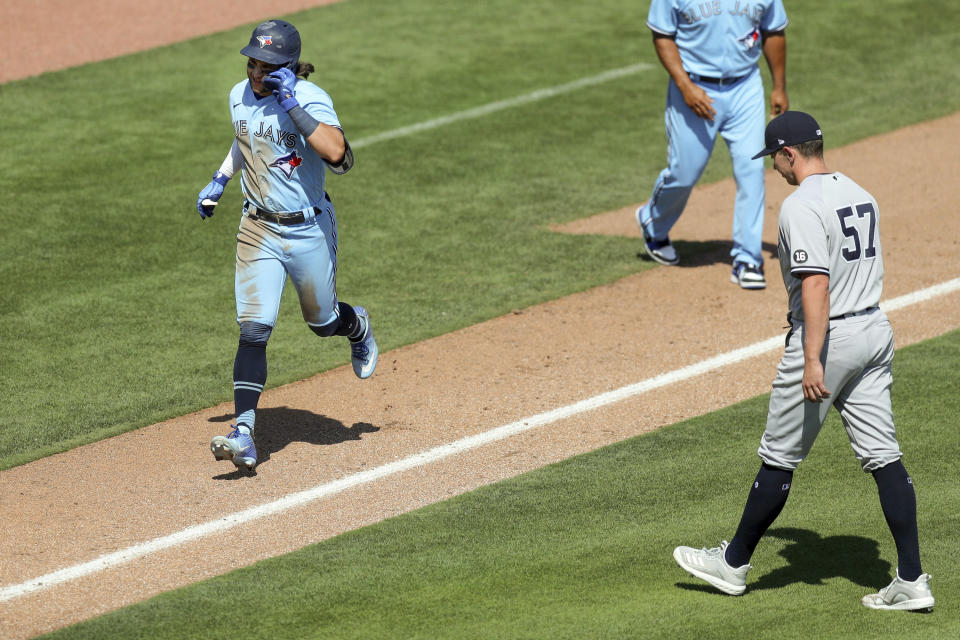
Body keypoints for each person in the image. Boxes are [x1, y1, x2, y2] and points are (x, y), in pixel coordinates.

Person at [671, 111, 934, 611]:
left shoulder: (799, 206)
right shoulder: (860, 192)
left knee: (779, 454)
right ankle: (911, 579)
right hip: (874, 332)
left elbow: (816, 282)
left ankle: (732, 563)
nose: (775, 169)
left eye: (776, 159)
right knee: (885, 457)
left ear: (790, 153)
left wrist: (812, 356)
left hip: (829, 340)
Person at [195, 19, 378, 471]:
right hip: (257, 228)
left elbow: (338, 156)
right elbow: (245, 138)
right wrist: (220, 179)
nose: (258, 71)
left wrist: (292, 103)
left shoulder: (311, 99)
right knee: (254, 329)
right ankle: (244, 434)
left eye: (268, 65)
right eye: (254, 62)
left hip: (308, 228)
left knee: (322, 322)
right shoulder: (238, 94)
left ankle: (355, 327)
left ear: (289, 64)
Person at [637, 0, 788, 289]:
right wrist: (685, 86)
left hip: (746, 86)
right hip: (694, 87)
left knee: (752, 169)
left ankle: (748, 257)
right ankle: (652, 223)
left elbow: (774, 31)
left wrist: (779, 86)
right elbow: (662, 35)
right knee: (684, 173)